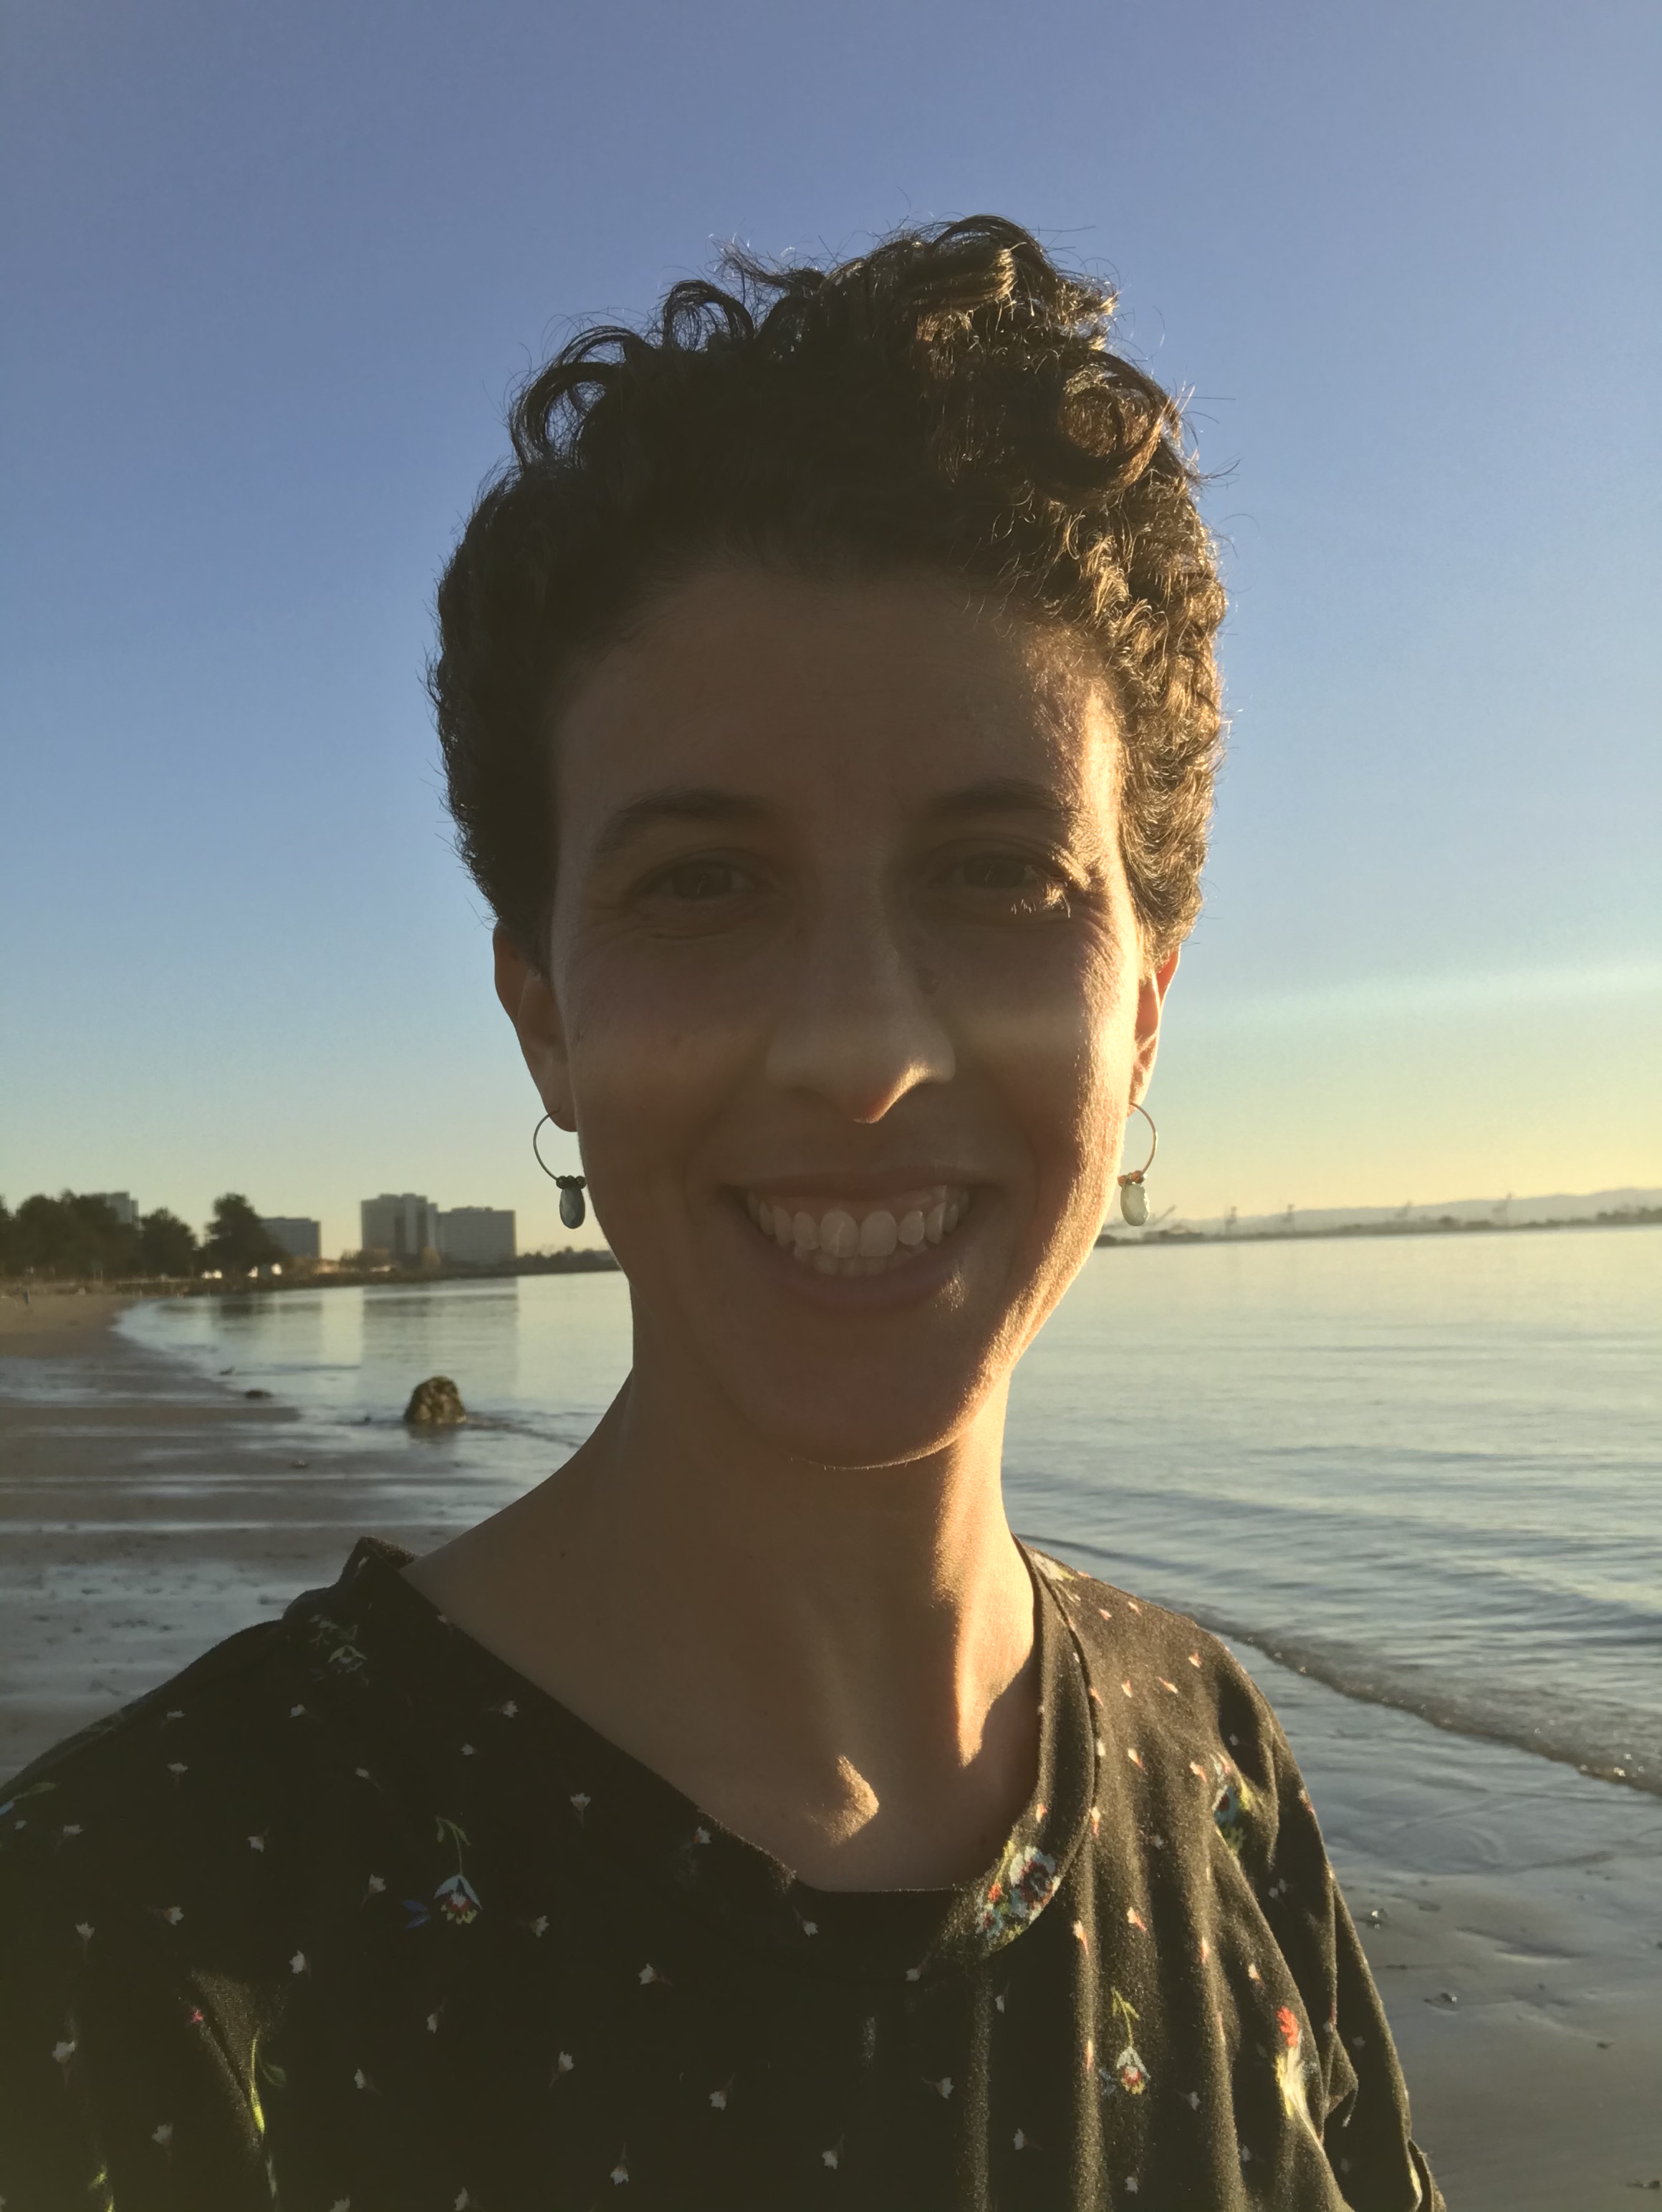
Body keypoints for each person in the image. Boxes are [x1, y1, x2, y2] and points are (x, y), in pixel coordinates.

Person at [0, 218, 1441, 2211]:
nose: (861, 1052)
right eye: (702, 885)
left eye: (998, 873)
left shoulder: (1216, 1774)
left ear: (1147, 1005)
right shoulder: (136, 1923)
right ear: (547, 1022)